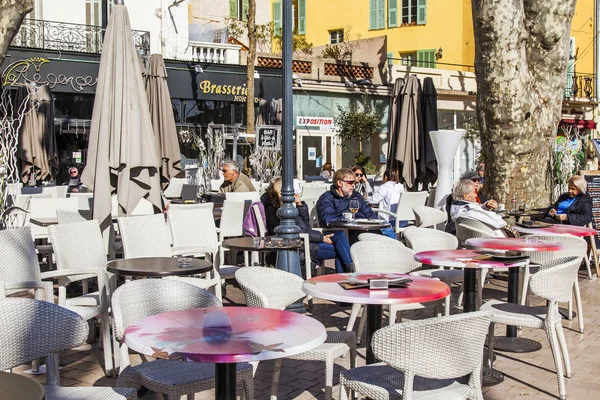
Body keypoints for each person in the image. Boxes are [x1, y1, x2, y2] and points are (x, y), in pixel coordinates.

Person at [261, 177, 353, 274]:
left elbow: (305, 224)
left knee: (339, 234)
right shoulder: (278, 211)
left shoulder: (285, 207)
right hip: (302, 245)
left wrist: (300, 205)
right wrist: (321, 238)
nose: (293, 192)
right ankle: (348, 272)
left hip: (308, 239)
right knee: (341, 250)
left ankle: (348, 271)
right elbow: (302, 230)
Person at [317, 168, 396, 241]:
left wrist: (371, 223)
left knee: (387, 230)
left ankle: (397, 250)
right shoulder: (327, 198)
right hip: (344, 233)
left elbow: (369, 213)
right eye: (350, 182)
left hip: (363, 229)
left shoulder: (356, 196)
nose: (353, 185)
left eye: (354, 182)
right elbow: (328, 218)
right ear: (339, 183)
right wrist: (349, 219)